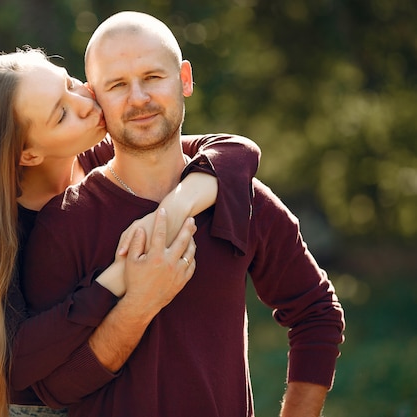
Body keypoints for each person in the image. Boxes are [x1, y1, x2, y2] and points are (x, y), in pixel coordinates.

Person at [0, 47, 262, 417]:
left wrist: (174, 209)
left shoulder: (106, 160)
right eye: (62, 114)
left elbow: (235, 152)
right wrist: (118, 279)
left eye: (70, 83)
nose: (87, 102)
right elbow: (14, 361)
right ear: (28, 154)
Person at [22, 11, 345, 417]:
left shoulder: (240, 200)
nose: (138, 98)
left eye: (153, 77)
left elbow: (317, 313)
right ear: (96, 98)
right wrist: (136, 307)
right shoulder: (62, 223)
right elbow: (53, 389)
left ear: (185, 79)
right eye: (117, 85)